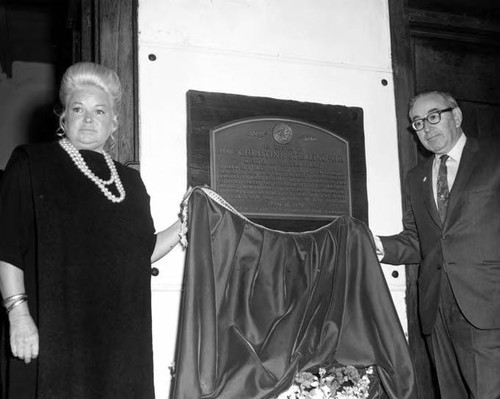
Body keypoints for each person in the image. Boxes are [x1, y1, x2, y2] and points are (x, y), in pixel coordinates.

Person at [0, 62, 187, 398]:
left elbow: (140, 253)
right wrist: (19, 315)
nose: (88, 119)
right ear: (63, 118)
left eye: (99, 111)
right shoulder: (31, 164)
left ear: (113, 122)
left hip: (119, 342)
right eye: (78, 109)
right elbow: (7, 247)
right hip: (53, 333)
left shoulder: (130, 181)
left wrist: (186, 224)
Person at [374, 91, 500, 398]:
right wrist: (375, 245)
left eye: (433, 116)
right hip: (436, 308)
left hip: (489, 305)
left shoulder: (494, 159)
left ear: (455, 116)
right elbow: (418, 240)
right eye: (417, 123)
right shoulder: (416, 177)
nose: (426, 128)